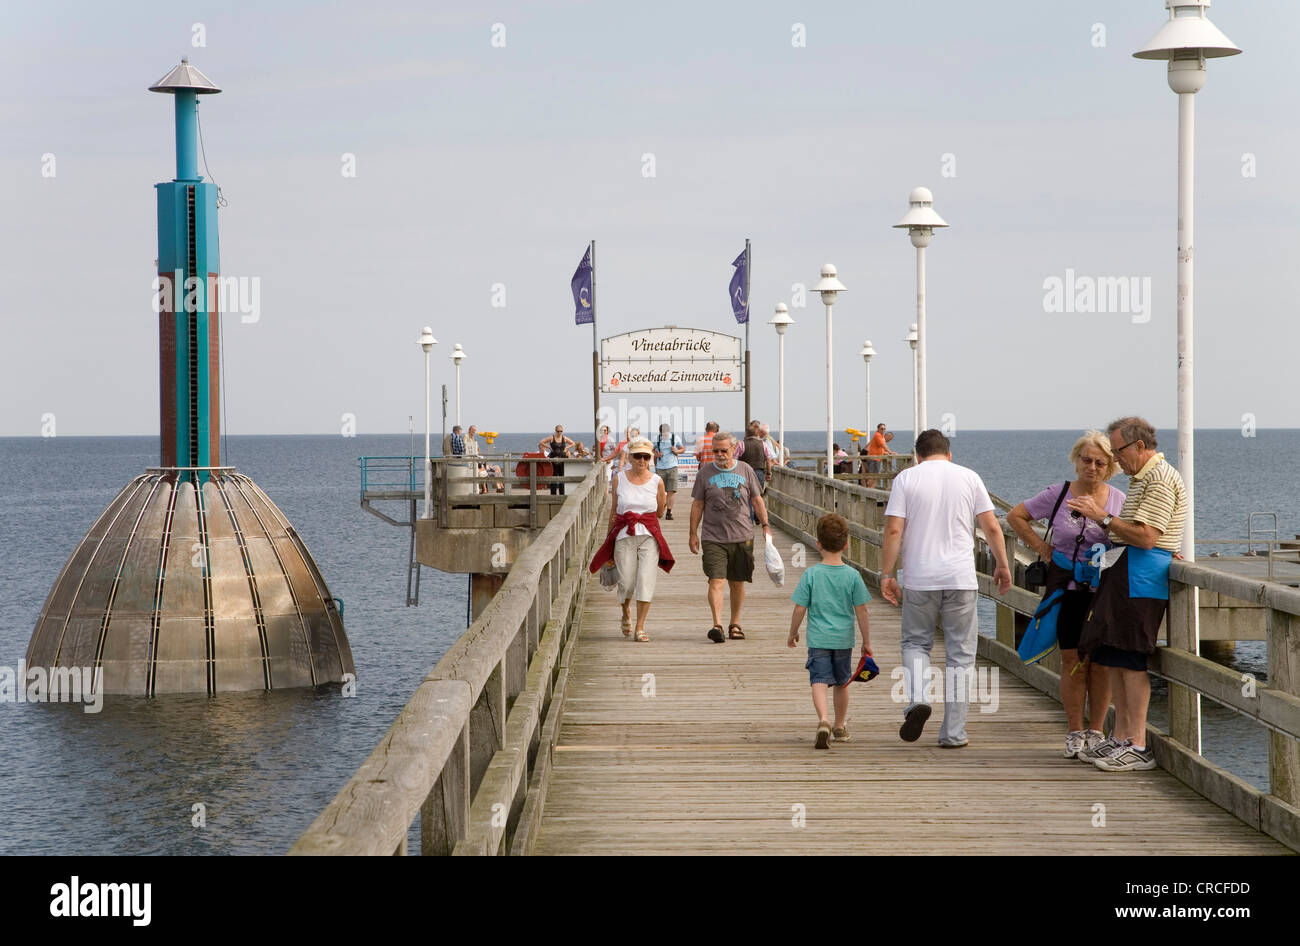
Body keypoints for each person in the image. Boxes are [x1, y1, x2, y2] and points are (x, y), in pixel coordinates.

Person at [879, 429, 1012, 747]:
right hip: (960, 578)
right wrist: (1002, 564)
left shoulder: (906, 479)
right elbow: (991, 525)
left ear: (917, 455)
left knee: (915, 644)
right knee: (961, 655)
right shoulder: (969, 477)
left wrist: (886, 573)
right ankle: (953, 733)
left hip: (919, 578)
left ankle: (919, 700)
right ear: (948, 454)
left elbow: (894, 528)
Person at [1073, 417, 1187, 773]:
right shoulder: (1142, 478)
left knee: (1134, 661)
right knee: (1117, 657)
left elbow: (1147, 537)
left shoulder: (1160, 478)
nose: (1114, 458)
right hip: (1126, 573)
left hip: (1143, 578)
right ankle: (1122, 737)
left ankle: (1138, 744)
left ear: (1139, 446)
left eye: (1117, 450)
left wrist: (1102, 517)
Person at [1007, 431, 1126, 759]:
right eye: (1086, 460)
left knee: (1100, 663)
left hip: (1102, 593)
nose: (1092, 467)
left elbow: (1134, 535)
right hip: (1067, 590)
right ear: (1076, 460)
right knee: (1072, 660)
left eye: (1100, 462)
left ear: (1110, 467)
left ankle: (1097, 730)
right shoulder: (1058, 494)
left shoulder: (1117, 500)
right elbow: (1016, 516)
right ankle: (1075, 731)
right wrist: (1042, 548)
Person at [787, 513, 873, 749]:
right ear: (846, 545)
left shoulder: (811, 574)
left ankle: (823, 719)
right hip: (843, 640)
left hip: (818, 639)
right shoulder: (853, 576)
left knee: (819, 680)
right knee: (842, 682)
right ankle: (839, 725)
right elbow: (862, 612)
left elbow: (799, 608)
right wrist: (867, 641)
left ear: (818, 544)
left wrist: (793, 632)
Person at [689, 431, 772, 642]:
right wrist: (692, 533)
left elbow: (757, 500)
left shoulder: (745, 470)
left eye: (723, 450)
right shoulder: (704, 473)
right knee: (716, 580)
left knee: (737, 582)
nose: (719, 454)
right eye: (715, 451)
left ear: (734, 449)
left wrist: (765, 525)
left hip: (742, 535)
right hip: (713, 536)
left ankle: (735, 624)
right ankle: (717, 625)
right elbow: (698, 504)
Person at [589, 437, 672, 642]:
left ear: (650, 458)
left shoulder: (657, 481)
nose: (642, 460)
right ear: (630, 457)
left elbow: (660, 511)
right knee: (625, 581)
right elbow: (615, 509)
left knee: (646, 580)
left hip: (648, 536)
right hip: (624, 533)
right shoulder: (619, 478)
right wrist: (608, 538)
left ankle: (640, 627)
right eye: (638, 456)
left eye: (646, 456)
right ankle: (626, 611)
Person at [652, 423, 686, 520]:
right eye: (663, 434)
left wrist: (676, 451)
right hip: (660, 467)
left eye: (666, 434)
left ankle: (669, 512)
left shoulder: (675, 438)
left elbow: (682, 449)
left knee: (671, 491)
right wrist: (657, 454)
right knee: (660, 492)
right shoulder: (656, 439)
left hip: (672, 467)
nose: (665, 436)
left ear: (669, 432)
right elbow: (651, 449)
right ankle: (660, 510)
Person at [539, 425, 576, 496]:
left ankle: (562, 494)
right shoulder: (552, 437)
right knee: (554, 477)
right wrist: (549, 447)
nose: (559, 433)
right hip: (553, 460)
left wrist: (566, 448)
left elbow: (573, 443)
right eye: (558, 431)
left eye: (561, 431)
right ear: (555, 431)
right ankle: (553, 495)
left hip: (562, 459)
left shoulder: (564, 438)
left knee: (562, 477)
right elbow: (541, 442)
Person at [864, 423, 897, 487]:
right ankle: (870, 489)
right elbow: (883, 445)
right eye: (881, 428)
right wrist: (890, 452)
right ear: (878, 429)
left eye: (884, 429)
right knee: (873, 475)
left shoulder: (880, 436)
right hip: (874, 459)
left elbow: (879, 448)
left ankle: (870, 488)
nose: (883, 430)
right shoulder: (878, 435)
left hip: (876, 458)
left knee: (874, 475)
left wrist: (885, 453)